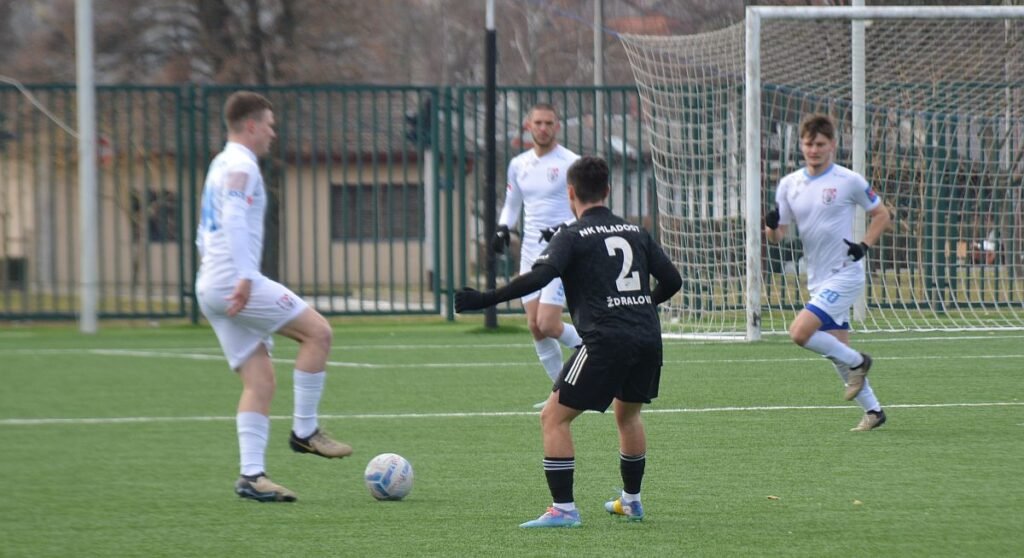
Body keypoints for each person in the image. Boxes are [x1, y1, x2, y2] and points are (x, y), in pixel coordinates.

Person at [457, 155, 683, 528]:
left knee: (553, 417)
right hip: (646, 336)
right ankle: (631, 502)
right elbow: (673, 281)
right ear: (608, 190)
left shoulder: (573, 234)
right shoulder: (636, 232)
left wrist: (485, 299)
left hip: (606, 341)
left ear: (571, 193)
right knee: (628, 415)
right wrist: (642, 305)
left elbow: (538, 277)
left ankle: (563, 509)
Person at [196, 91, 352, 503]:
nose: (273, 133)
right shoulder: (242, 164)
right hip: (234, 281)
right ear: (251, 125)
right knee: (318, 333)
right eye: (269, 124)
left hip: (211, 283)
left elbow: (206, 230)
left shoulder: (220, 163)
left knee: (260, 380)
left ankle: (252, 476)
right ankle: (305, 431)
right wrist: (246, 276)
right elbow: (233, 217)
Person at [764, 113, 892, 432]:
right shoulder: (789, 185)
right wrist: (770, 226)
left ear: (832, 145)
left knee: (800, 333)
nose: (814, 150)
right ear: (801, 145)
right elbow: (778, 236)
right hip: (818, 279)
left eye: (820, 144)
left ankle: (859, 361)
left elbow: (882, 214)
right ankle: (874, 411)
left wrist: (864, 245)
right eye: (809, 144)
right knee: (837, 350)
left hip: (846, 274)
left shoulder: (848, 180)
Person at [494, 102, 584, 406]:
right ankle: (563, 394)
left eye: (549, 123)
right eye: (538, 123)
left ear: (557, 126)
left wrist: (562, 228)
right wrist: (502, 228)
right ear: (528, 126)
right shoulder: (518, 164)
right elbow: (512, 204)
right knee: (535, 326)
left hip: (562, 252)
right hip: (530, 253)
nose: (543, 128)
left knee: (548, 324)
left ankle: (596, 350)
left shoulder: (572, 163)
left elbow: (583, 208)